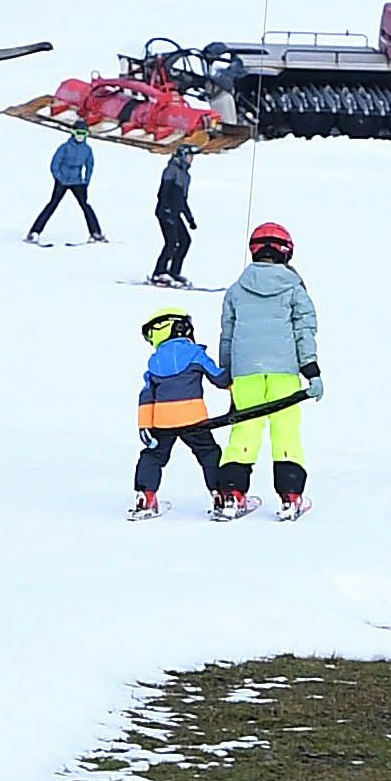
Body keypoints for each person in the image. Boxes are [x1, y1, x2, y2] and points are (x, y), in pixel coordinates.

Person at [217, 222, 323, 520]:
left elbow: (228, 333)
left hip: (245, 374)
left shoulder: (236, 290)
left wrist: (226, 371)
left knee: (244, 430)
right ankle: (291, 496)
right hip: (284, 374)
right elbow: (304, 330)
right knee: (285, 430)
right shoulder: (294, 289)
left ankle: (232, 494)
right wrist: (311, 370)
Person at [130, 308, 232, 518]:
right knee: (208, 453)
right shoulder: (195, 353)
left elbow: (147, 394)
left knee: (153, 455)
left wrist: (144, 426)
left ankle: (145, 497)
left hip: (162, 421)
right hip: (193, 418)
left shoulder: (155, 360)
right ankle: (221, 496)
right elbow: (219, 379)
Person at [27, 124, 104, 244]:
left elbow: (90, 165)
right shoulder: (64, 147)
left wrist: (86, 181)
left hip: (77, 182)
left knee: (85, 206)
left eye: (84, 134)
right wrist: (60, 178)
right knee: (52, 204)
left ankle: (96, 233)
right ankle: (34, 232)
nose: (80, 137)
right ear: (73, 133)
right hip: (62, 181)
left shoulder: (87, 149)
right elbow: (54, 165)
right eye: (78, 133)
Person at [150, 145, 198, 287]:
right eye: (190, 156)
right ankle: (159, 272)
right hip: (165, 212)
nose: (192, 159)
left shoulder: (185, 175)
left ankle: (174, 271)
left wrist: (190, 218)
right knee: (171, 242)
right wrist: (166, 210)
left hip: (175, 213)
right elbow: (163, 193)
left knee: (185, 241)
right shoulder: (171, 170)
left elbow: (182, 200)